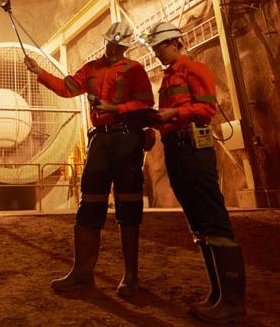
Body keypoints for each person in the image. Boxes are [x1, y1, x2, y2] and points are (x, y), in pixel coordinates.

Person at [24, 21, 156, 297]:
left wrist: (114, 108)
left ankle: (130, 278)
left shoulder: (135, 69)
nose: (113, 48)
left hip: (126, 137)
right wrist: (39, 72)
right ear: (106, 42)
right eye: (110, 44)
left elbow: (145, 104)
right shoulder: (91, 68)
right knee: (90, 202)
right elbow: (66, 88)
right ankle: (83, 273)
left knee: (128, 204)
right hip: (101, 139)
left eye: (118, 46)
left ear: (125, 46)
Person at [145, 20, 246, 323]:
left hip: (194, 149)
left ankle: (233, 302)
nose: (157, 52)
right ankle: (217, 295)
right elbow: (169, 115)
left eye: (160, 46)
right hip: (176, 149)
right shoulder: (167, 79)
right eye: (154, 48)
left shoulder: (195, 70)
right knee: (198, 225)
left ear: (176, 42)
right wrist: (153, 124)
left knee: (214, 220)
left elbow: (206, 110)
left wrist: (174, 113)